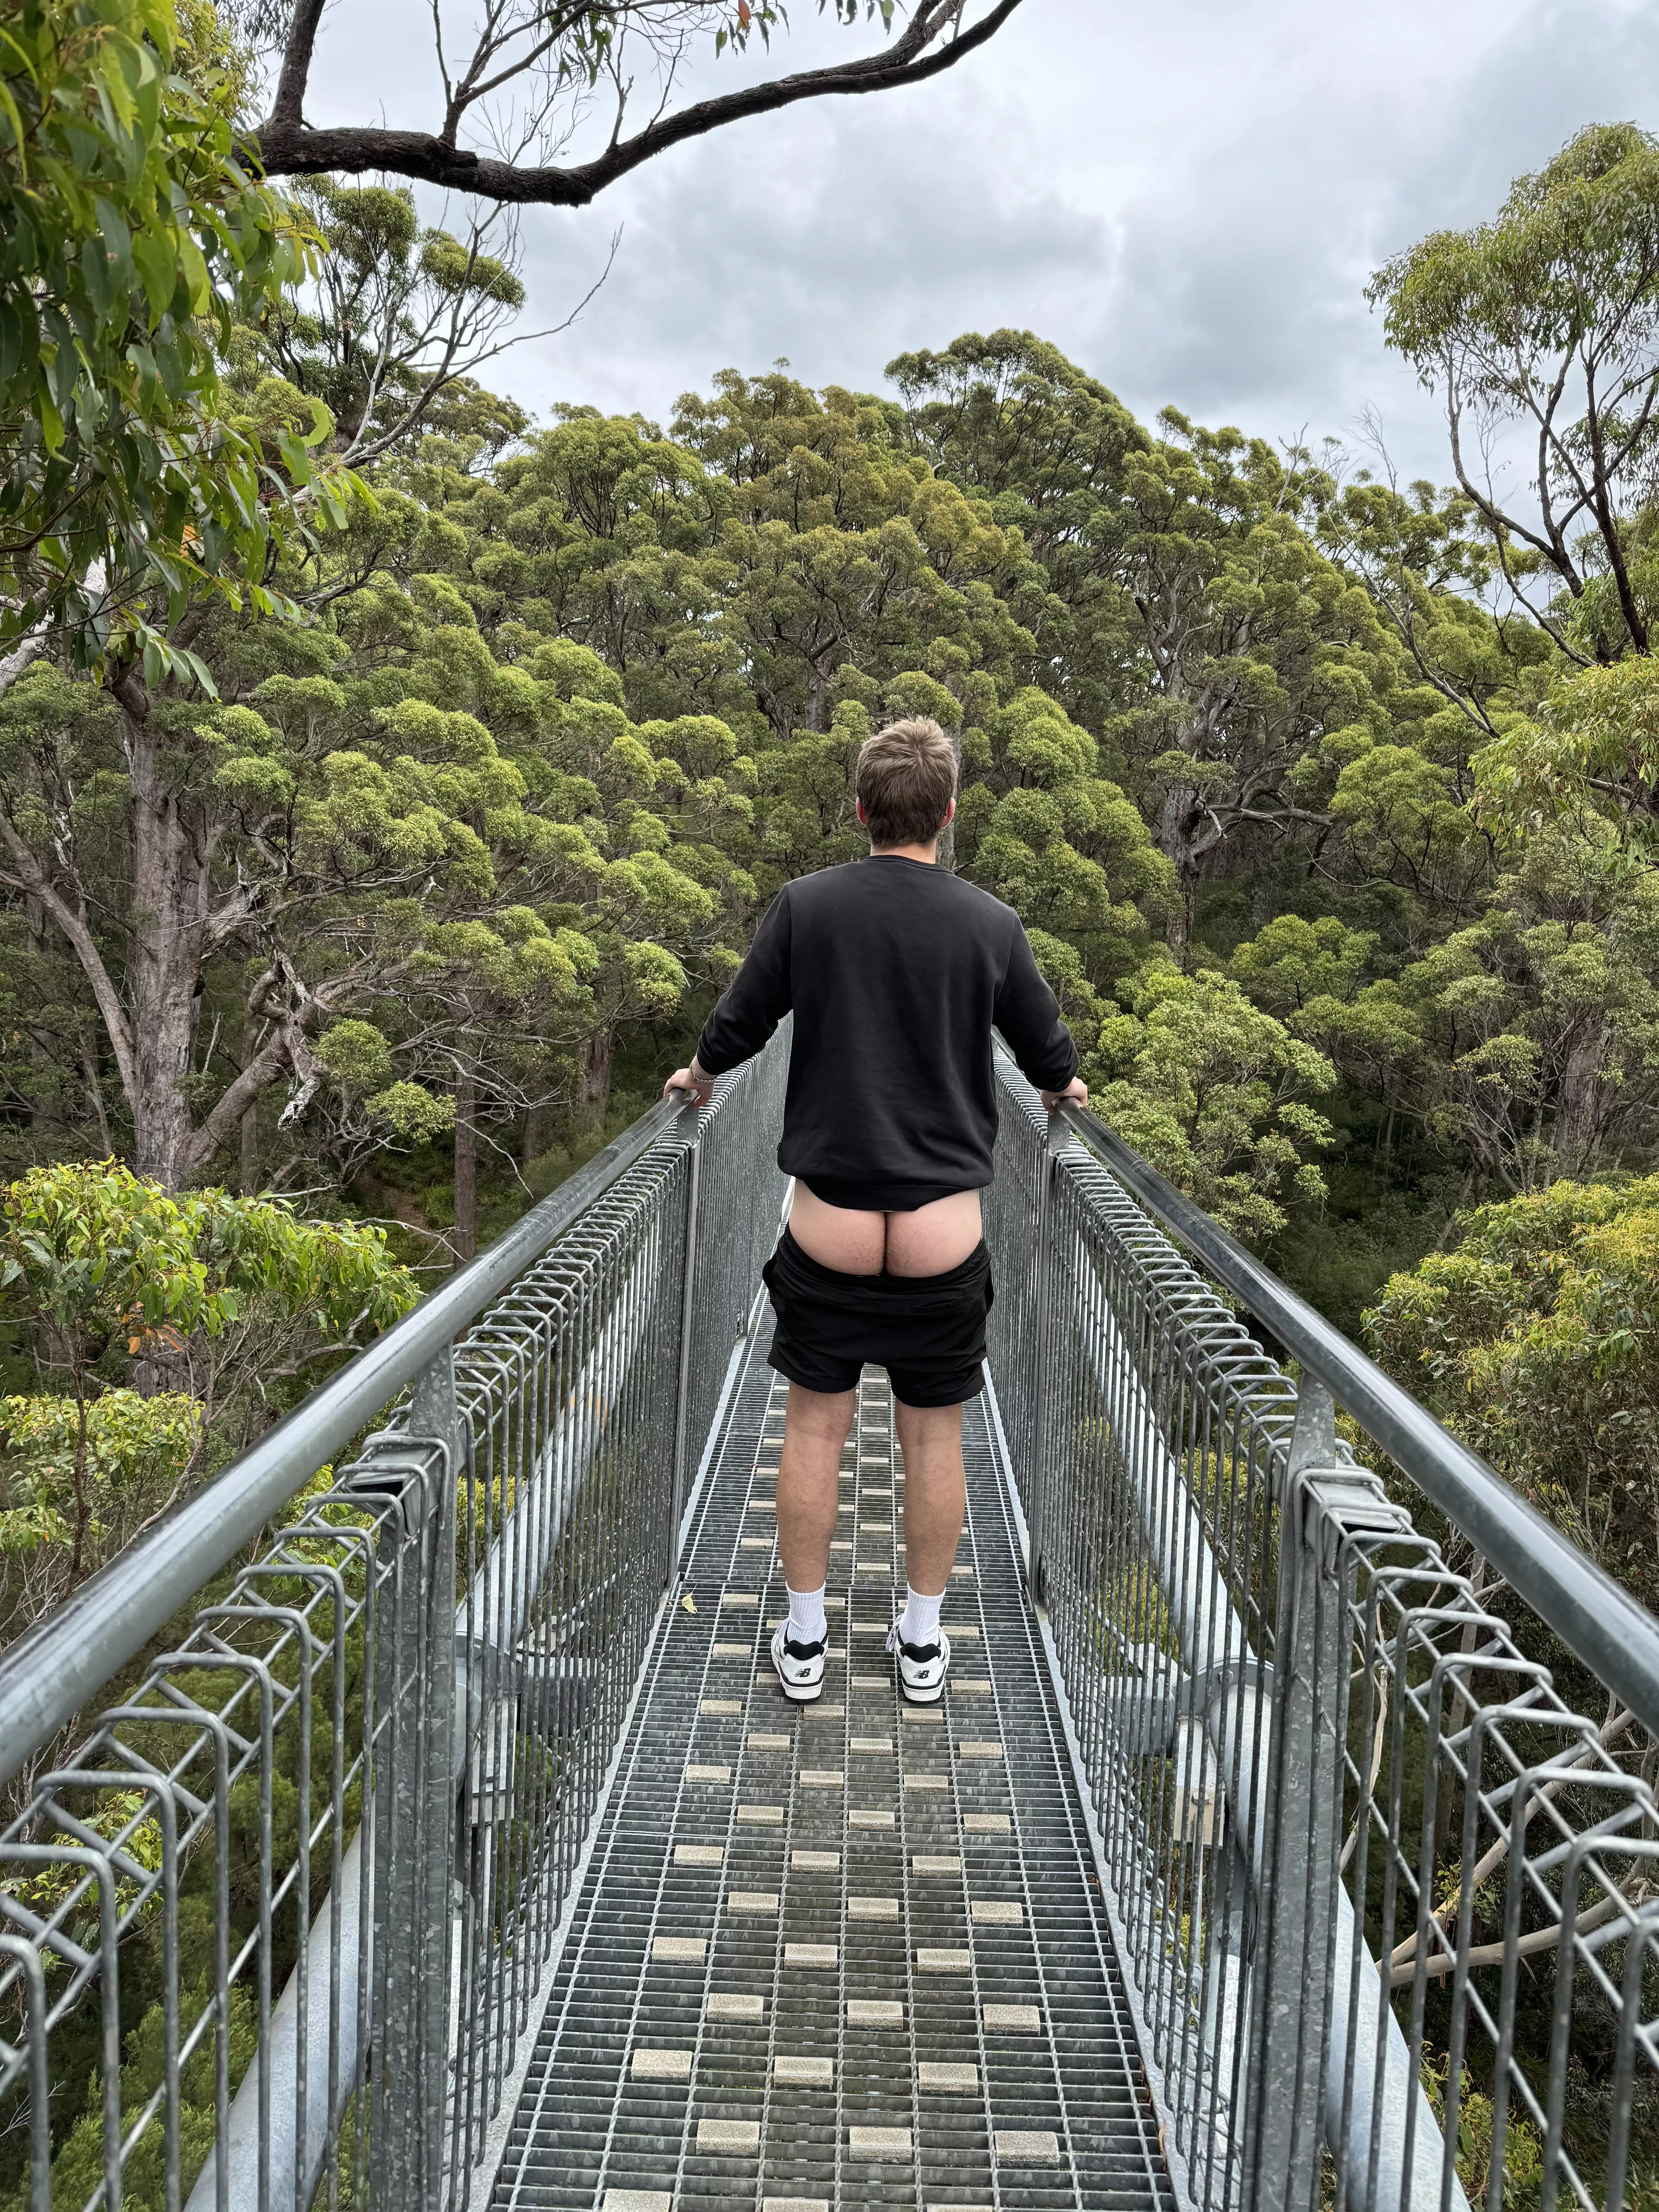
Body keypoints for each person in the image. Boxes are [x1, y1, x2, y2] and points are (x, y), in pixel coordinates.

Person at [664, 718, 1086, 1706]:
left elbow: (741, 1022)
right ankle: (922, 1646)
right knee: (934, 1441)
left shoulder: (808, 907)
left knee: (815, 1432)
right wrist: (1064, 1087)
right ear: (949, 813)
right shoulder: (990, 923)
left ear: (860, 811)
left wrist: (698, 1075)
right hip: (944, 1233)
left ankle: (806, 1640)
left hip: (832, 1226)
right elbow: (1046, 1051)